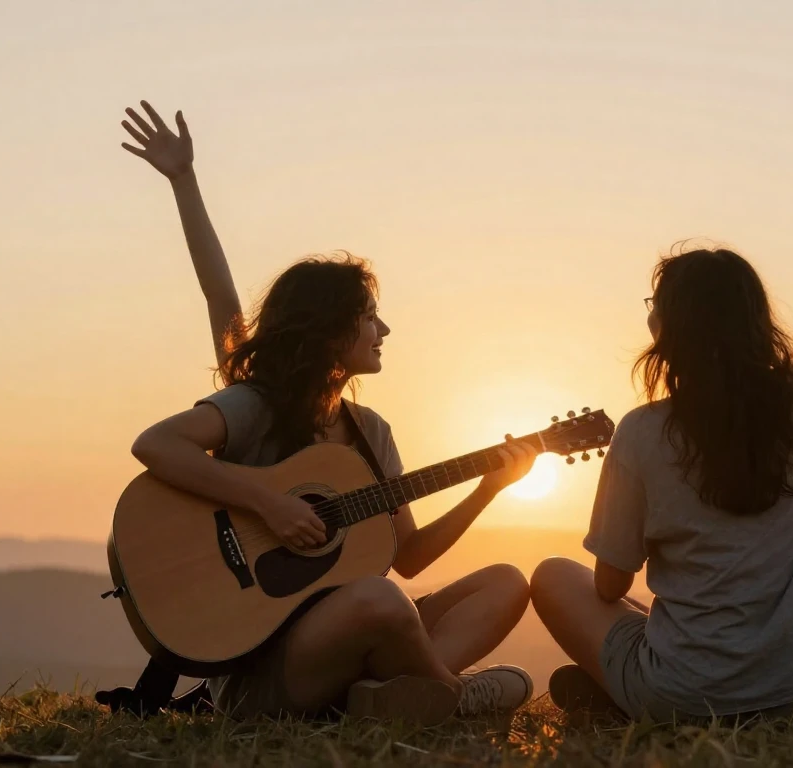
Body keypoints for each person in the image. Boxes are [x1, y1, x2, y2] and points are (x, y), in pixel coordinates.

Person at [529, 95, 793, 723]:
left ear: (670, 332)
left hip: (685, 697)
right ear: (755, 322)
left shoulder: (642, 434)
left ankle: (628, 699)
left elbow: (610, 588)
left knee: (550, 576)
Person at [121, 100, 537, 724]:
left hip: (353, 629)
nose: (384, 329)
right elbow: (157, 443)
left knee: (505, 581)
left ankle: (383, 699)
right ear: (328, 330)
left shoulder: (371, 435)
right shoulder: (255, 403)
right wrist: (270, 504)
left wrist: (490, 488)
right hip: (269, 670)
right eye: (370, 317)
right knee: (380, 601)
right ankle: (452, 696)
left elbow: (412, 556)